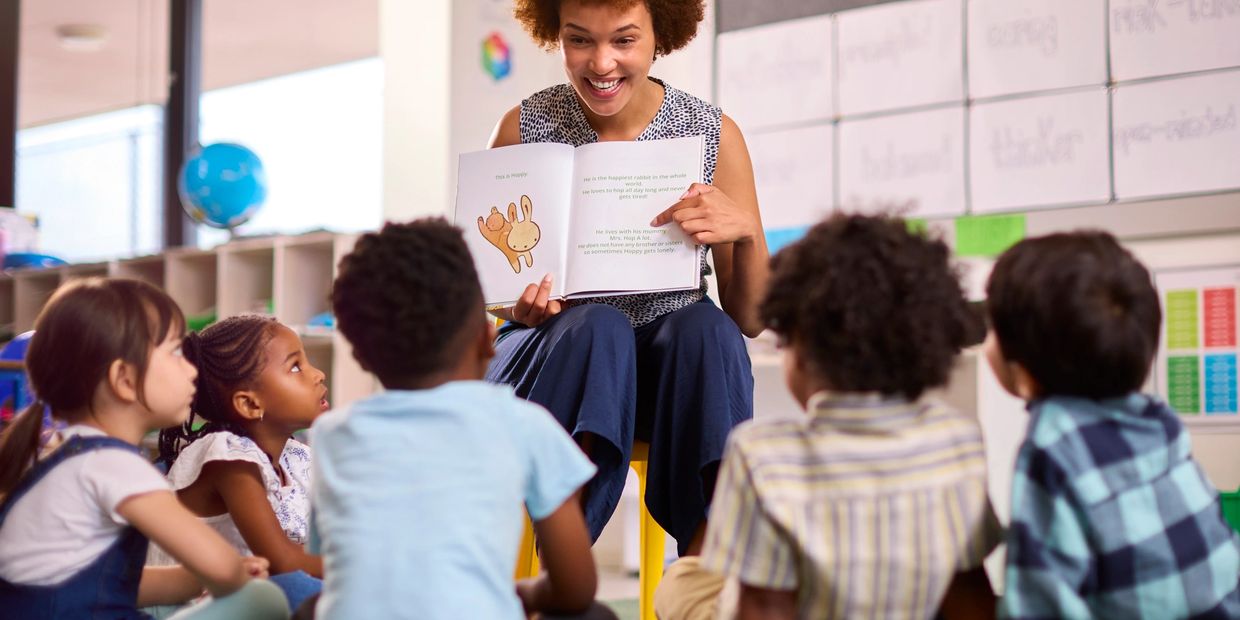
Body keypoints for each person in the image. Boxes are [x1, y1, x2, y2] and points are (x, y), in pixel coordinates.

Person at [486, 0, 768, 557]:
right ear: (556, 37)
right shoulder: (525, 126)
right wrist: (519, 308)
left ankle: (704, 571)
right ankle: (565, 574)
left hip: (668, 375)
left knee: (706, 330)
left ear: (660, 34)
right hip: (558, 359)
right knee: (599, 327)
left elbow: (751, 319)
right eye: (579, 40)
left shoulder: (712, 133)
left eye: (623, 40)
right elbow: (494, 291)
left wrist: (748, 235)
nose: (602, 63)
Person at [659, 214, 1002, 619]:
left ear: (799, 350)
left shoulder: (762, 454)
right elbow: (970, 594)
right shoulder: (955, 438)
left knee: (681, 581)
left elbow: (763, 608)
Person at [309, 219, 615, 619]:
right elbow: (574, 589)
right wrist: (521, 596)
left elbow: (330, 569)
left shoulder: (331, 435)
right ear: (487, 339)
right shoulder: (524, 425)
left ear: (361, 357)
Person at [984, 231, 1240, 618]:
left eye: (992, 329)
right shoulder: (1159, 423)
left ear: (1025, 377)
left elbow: (1039, 602)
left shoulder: (1053, 446)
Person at [0, 277, 288, 619]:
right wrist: (235, 574)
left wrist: (190, 579)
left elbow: (110, 586)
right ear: (124, 379)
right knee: (266, 600)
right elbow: (223, 569)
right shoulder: (114, 465)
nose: (190, 369)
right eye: (175, 353)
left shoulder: (66, 455)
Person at [152, 315, 329, 613]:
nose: (319, 374)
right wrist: (365, 569)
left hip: (250, 598)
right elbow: (282, 561)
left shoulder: (296, 457)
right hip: (188, 608)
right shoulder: (226, 458)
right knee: (299, 590)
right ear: (250, 404)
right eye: (296, 367)